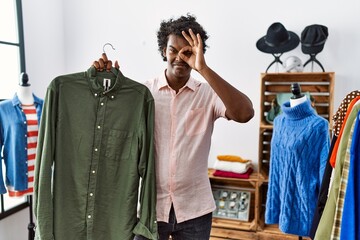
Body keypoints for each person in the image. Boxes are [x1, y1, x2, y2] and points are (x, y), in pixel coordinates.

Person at [94, 14, 254, 240]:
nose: (179, 57)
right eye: (173, 50)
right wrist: (106, 81)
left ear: (197, 53)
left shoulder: (207, 94)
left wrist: (203, 68)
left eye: (187, 52)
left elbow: (245, 113)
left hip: (195, 210)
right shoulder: (143, 93)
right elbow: (110, 125)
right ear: (163, 51)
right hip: (150, 208)